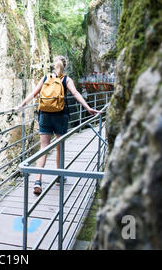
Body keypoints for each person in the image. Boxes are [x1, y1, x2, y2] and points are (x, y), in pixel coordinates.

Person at [14, 56, 102, 195]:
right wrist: (88, 108)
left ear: (53, 65)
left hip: (44, 115)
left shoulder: (45, 78)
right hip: (61, 116)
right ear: (64, 66)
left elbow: (33, 94)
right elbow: (75, 93)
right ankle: (59, 176)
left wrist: (21, 105)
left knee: (43, 148)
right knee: (59, 147)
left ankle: (37, 180)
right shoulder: (66, 79)